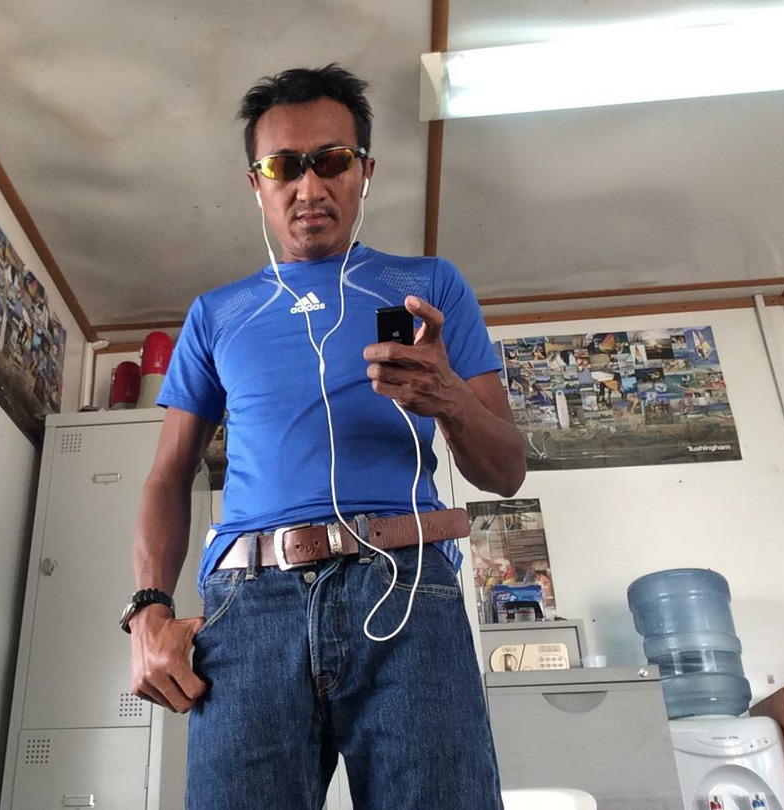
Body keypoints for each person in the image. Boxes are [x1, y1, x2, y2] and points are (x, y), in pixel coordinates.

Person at [122, 64, 526, 809]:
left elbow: (507, 471)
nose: (309, 186)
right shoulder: (216, 314)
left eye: (332, 160)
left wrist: (448, 400)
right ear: (256, 183)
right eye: (284, 166)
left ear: (365, 171)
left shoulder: (428, 288)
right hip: (248, 605)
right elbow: (167, 474)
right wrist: (148, 608)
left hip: (406, 588)